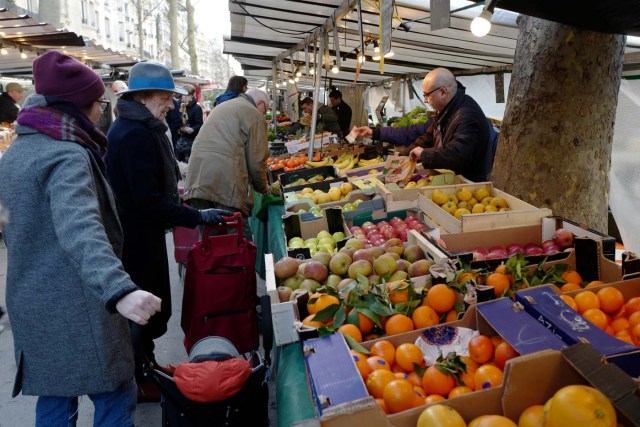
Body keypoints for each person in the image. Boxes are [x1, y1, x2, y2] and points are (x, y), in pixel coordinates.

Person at [0, 51, 162, 426]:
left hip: (32, 301)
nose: (101, 112)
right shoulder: (67, 154)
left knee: (55, 396)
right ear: (80, 107)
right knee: (116, 393)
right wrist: (119, 289)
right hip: (75, 306)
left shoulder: (16, 153)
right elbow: (81, 228)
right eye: (99, 103)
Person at [106, 61, 233, 402]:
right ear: (144, 96)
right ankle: (138, 376)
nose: (171, 104)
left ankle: (146, 364)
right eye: (166, 97)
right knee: (142, 305)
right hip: (134, 235)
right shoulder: (133, 134)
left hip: (141, 231)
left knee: (148, 302)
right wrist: (196, 216)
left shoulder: (139, 128)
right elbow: (145, 199)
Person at [183, 87, 270, 241]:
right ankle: (242, 266)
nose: (264, 114)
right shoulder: (254, 114)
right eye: (266, 110)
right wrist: (263, 187)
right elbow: (257, 161)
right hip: (224, 181)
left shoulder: (225, 105)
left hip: (196, 178)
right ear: (261, 103)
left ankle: (216, 266)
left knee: (211, 241)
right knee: (237, 239)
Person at [174, 83, 203, 162]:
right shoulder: (177, 105)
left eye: (186, 95)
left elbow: (199, 124)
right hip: (177, 138)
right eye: (182, 95)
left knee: (189, 162)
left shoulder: (197, 108)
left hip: (190, 140)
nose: (183, 97)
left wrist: (192, 129)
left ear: (191, 96)